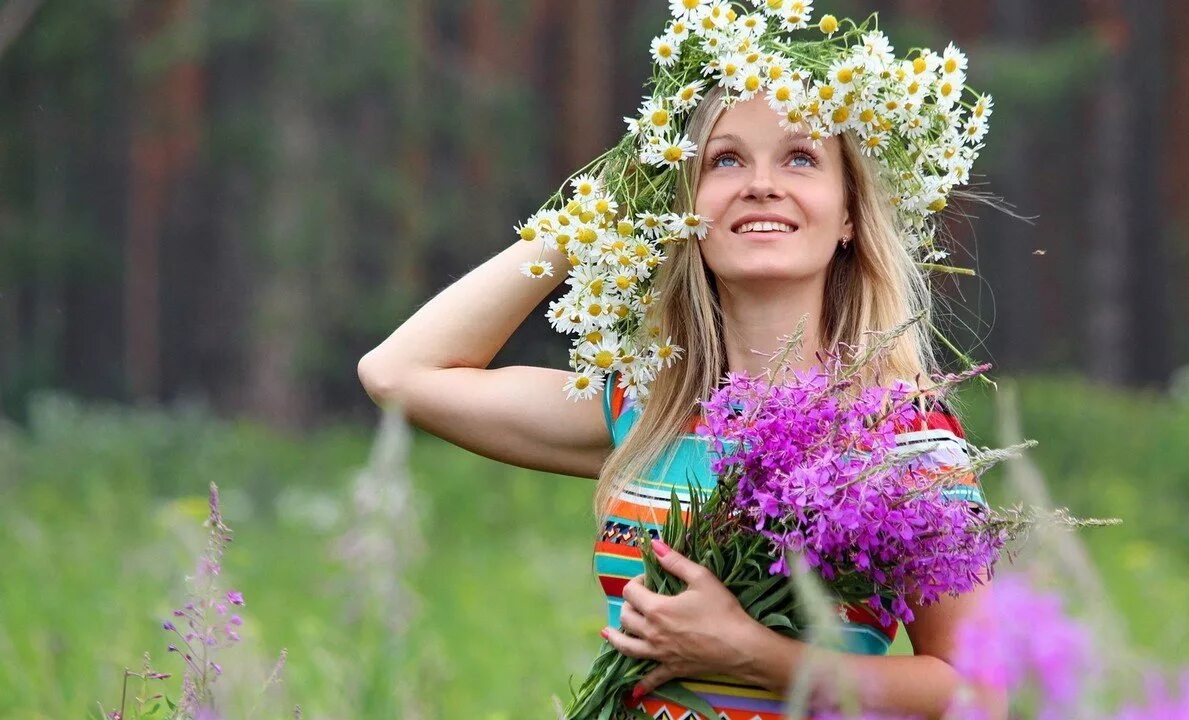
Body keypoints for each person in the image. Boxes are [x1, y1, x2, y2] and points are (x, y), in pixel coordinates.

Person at [358, 77, 1006, 719]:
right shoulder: (649, 410)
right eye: (725, 159)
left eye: (800, 157)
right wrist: (590, 211)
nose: (761, 183)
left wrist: (755, 655)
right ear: (686, 210)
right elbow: (398, 374)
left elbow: (981, 695)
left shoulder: (901, 432)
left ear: (847, 215)